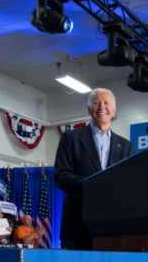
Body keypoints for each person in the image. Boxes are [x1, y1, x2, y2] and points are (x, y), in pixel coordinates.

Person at [54, 88, 135, 250]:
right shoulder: (70, 138)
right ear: (89, 109)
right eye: (96, 103)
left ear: (113, 110)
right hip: (77, 226)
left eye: (106, 103)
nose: (101, 107)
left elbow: (130, 184)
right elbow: (61, 176)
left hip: (113, 227)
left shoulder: (126, 146)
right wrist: (94, 185)